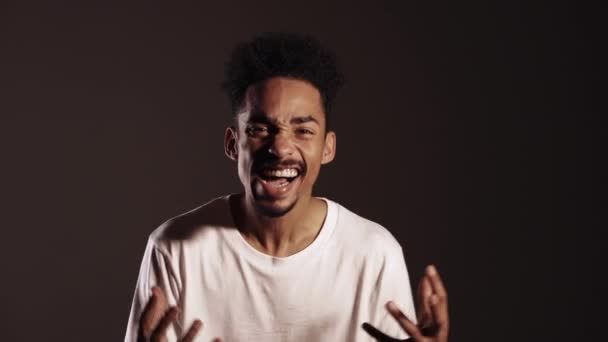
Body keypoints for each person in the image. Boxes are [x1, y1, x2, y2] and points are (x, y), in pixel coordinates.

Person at [125, 32, 449, 342]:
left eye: (303, 131)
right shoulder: (174, 248)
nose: (280, 148)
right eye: (260, 129)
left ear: (328, 147)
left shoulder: (374, 254)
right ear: (233, 144)